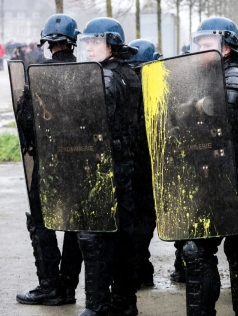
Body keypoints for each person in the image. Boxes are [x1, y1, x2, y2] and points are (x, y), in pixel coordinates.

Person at [182, 16, 238, 316]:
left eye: (208, 44)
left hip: (235, 176)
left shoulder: (236, 74)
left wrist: (194, 107)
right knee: (200, 250)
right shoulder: (206, 72)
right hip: (210, 173)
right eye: (199, 43)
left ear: (225, 47)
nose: (201, 49)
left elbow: (225, 110)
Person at [15, 14, 83, 307]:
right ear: (73, 42)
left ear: (47, 42)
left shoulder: (37, 74)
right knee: (75, 223)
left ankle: (49, 287)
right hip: (80, 162)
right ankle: (67, 288)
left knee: (41, 223)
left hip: (49, 163)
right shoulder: (86, 73)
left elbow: (26, 122)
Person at [76, 17, 141, 316]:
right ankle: (124, 302)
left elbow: (87, 123)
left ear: (112, 45)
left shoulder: (105, 78)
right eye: (87, 42)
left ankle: (100, 305)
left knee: (97, 235)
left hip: (106, 164)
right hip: (125, 163)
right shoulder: (130, 72)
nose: (89, 48)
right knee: (122, 235)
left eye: (95, 42)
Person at [126, 39, 160, 288]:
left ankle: (139, 269)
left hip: (133, 164)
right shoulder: (158, 87)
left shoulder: (125, 83)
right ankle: (141, 268)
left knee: (135, 220)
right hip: (151, 166)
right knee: (145, 220)